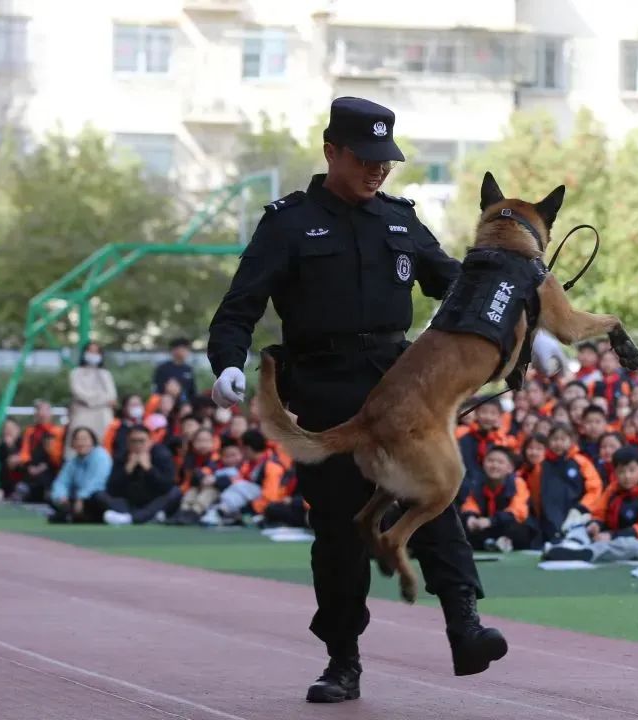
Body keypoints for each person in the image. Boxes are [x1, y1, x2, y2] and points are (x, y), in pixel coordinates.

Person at [205, 96, 505, 702]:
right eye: (365, 158)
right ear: (331, 151)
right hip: (325, 389)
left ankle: (465, 625)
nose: (378, 169)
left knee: (433, 497)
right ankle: (343, 660)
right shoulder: (288, 224)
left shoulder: (399, 219)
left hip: (401, 383)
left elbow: (453, 281)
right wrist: (228, 364)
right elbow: (240, 307)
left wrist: (512, 320)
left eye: (385, 159)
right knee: (341, 530)